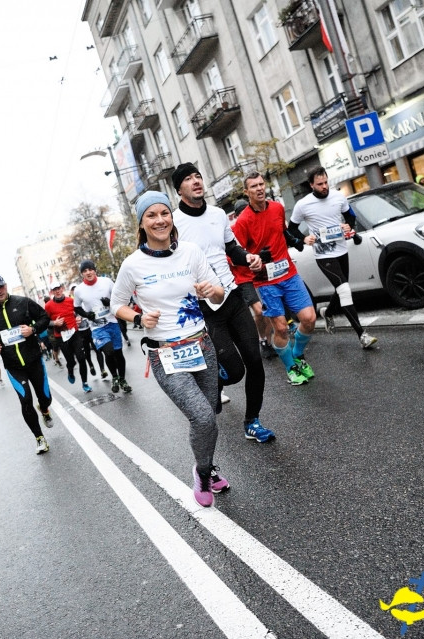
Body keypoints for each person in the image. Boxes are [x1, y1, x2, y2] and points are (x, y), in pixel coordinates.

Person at [111, 191, 229, 507]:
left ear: (171, 218)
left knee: (211, 414)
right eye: (151, 215)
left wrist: (211, 290)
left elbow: (218, 295)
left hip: (201, 345)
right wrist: (138, 317)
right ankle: (202, 473)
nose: (160, 220)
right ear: (142, 224)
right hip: (165, 354)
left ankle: (208, 464)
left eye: (164, 213)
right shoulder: (133, 265)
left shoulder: (190, 253)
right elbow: (117, 304)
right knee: (203, 417)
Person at [170, 162, 275, 443]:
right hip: (204, 308)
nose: (196, 182)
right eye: (188, 179)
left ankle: (252, 421)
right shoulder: (173, 224)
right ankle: (213, 381)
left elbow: (231, 248)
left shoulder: (218, 215)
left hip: (231, 294)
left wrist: (248, 257)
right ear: (179, 189)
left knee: (254, 361)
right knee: (234, 370)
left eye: (198, 176)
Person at [233, 171, 317, 385]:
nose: (259, 188)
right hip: (266, 280)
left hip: (288, 273)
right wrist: (255, 259)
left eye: (261, 184)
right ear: (246, 192)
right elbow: (235, 253)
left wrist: (298, 241)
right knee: (280, 328)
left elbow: (282, 232)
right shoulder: (242, 222)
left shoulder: (278, 208)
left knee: (309, 319)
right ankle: (291, 368)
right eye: (254, 186)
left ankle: (296, 355)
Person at [288, 166, 377, 349]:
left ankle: (327, 312)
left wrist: (348, 227)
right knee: (344, 289)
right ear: (311, 185)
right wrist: (304, 238)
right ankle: (362, 335)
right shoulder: (303, 205)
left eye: (326, 182)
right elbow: (291, 229)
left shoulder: (338, 197)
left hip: (341, 250)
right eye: (319, 184)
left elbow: (350, 217)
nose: (324, 186)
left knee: (340, 287)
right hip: (323, 254)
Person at [0, 274, 54, 454]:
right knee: (25, 399)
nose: (0, 291)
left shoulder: (23, 302)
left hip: (33, 359)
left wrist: (32, 329)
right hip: (13, 366)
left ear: (5, 285)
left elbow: (44, 317)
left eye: (1, 286)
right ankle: (39, 438)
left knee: (45, 397)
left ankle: (44, 409)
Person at [74, 260, 131, 393]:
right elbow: (77, 307)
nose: (88, 272)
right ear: (82, 274)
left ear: (95, 270)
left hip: (112, 322)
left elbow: (119, 298)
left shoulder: (106, 282)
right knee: (108, 351)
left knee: (118, 353)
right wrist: (88, 315)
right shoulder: (79, 290)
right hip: (97, 327)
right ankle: (114, 377)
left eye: (90, 269)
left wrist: (110, 302)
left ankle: (122, 379)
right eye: (85, 271)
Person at [229, 199, 275, 359]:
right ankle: (262, 340)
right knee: (259, 310)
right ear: (236, 216)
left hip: (261, 274)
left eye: (246, 211)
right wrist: (246, 258)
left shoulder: (257, 225)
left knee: (267, 309)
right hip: (243, 278)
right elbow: (229, 256)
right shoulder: (233, 231)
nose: (245, 216)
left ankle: (267, 342)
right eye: (241, 213)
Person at [45, 282, 92, 393]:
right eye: (55, 289)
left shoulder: (71, 301)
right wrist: (54, 323)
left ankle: (85, 383)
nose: (57, 291)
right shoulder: (48, 306)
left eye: (59, 288)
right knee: (71, 361)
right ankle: (70, 370)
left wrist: (79, 317)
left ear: (62, 289)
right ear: (52, 292)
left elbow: (78, 312)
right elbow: (45, 321)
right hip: (61, 337)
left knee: (81, 358)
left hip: (74, 333)